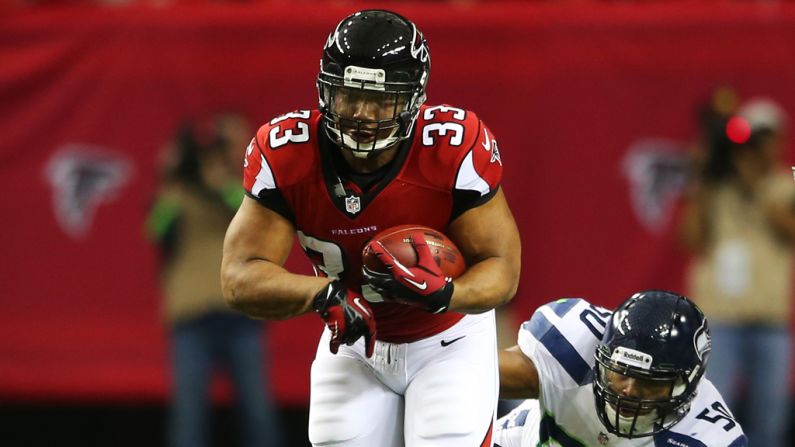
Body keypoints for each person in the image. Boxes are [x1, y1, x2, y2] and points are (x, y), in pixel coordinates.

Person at [221, 9, 521, 446]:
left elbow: (502, 267)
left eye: (382, 99)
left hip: (446, 339)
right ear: (326, 90)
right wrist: (321, 293)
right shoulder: (286, 152)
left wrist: (447, 294)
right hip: (355, 345)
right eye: (349, 95)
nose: (363, 113)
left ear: (414, 99)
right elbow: (238, 276)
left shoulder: (452, 147)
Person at [148, 115, 283, 447]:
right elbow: (154, 229)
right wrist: (170, 179)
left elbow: (250, 216)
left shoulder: (243, 190)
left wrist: (221, 181)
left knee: (257, 412)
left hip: (240, 313)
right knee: (189, 416)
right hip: (192, 315)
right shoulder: (178, 193)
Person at [679, 97, 795, 447]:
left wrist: (756, 186)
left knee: (770, 418)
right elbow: (689, 238)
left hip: (769, 322)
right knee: (710, 413)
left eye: (764, 139)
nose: (757, 149)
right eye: (751, 141)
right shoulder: (715, 190)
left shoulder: (784, 185)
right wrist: (700, 178)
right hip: (720, 320)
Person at [494, 290, 748, 447]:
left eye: (649, 382)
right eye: (621, 372)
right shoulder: (573, 349)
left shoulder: (706, 437)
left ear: (688, 385)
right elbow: (475, 375)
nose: (628, 390)